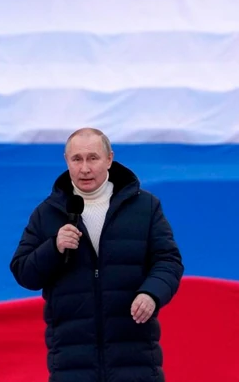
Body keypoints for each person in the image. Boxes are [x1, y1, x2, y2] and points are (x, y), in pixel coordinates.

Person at [10, 128, 184, 382]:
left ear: (110, 159)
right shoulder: (47, 213)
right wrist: (53, 248)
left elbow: (168, 260)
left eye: (93, 158)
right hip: (71, 360)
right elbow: (23, 272)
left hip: (134, 355)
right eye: (77, 159)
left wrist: (151, 293)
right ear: (66, 161)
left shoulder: (145, 207)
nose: (84, 168)